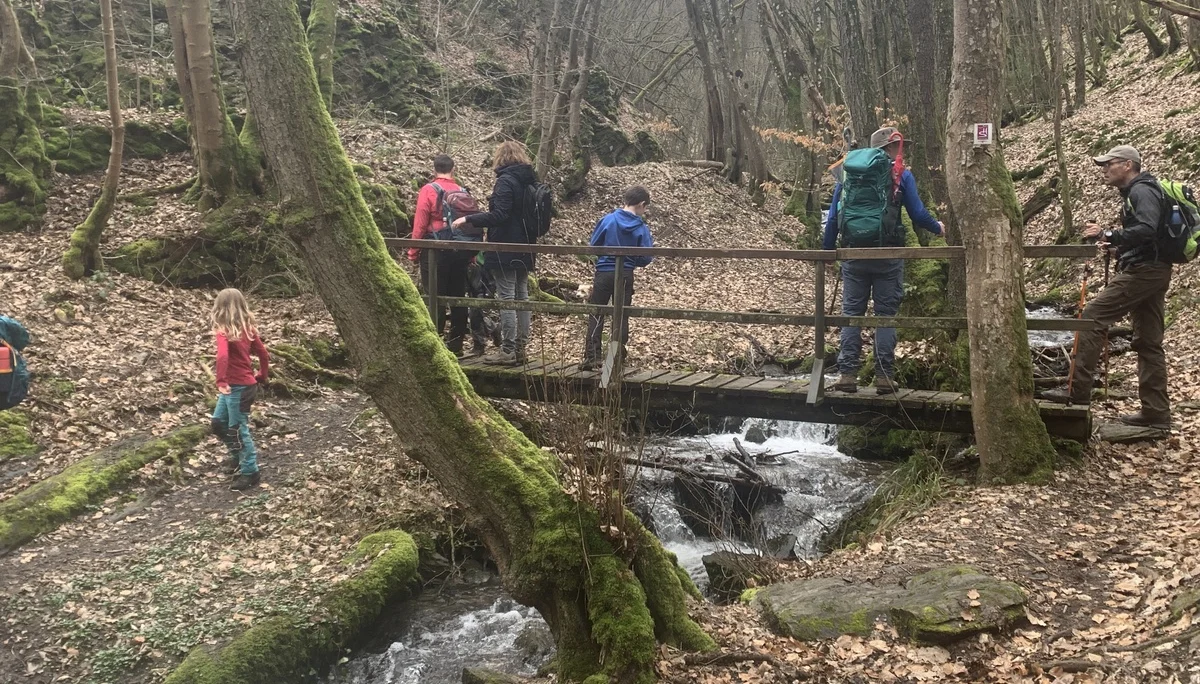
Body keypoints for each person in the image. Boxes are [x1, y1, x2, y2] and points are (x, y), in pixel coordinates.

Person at [1043, 145, 1173, 429]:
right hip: (1154, 269)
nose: (1104, 169)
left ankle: (1076, 395)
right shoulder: (1141, 191)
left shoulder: (1141, 191)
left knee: (1091, 317)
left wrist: (1109, 234)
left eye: (1109, 164)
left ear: (1128, 165)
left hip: (1145, 272)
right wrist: (1118, 246)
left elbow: (1148, 229)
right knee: (1148, 341)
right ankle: (1156, 413)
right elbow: (1146, 236)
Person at [823, 126, 945, 395]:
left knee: (852, 315)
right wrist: (937, 227)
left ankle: (847, 375)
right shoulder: (901, 175)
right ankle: (883, 378)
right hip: (889, 255)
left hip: (853, 255)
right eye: (898, 146)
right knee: (885, 316)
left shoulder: (848, 174)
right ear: (888, 149)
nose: (902, 151)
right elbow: (918, 214)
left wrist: (828, 251)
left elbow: (833, 217)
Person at [453, 141, 538, 365]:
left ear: (500, 158)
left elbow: (500, 214)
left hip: (505, 247)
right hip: (526, 246)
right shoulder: (529, 181)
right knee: (522, 296)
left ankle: (508, 349)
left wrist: (469, 219)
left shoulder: (505, 181)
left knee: (508, 297)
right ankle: (520, 348)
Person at [581, 186, 655, 371]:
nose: (644, 211)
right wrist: (631, 260)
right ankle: (615, 358)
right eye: (645, 207)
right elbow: (646, 257)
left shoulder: (608, 220)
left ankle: (592, 357)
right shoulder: (641, 227)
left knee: (597, 312)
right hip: (625, 274)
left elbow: (594, 245)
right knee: (620, 316)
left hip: (604, 272)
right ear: (641, 204)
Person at [410, 154, 472, 355]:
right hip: (459, 250)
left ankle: (434, 345)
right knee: (458, 296)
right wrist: (470, 254)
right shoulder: (461, 191)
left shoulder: (428, 190)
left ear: (434, 169)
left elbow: (420, 223)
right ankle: (456, 345)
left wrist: (413, 250)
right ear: (453, 169)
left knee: (434, 295)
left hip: (434, 250)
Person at [210, 288, 270, 491]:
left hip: (238, 387)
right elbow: (264, 356)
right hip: (238, 386)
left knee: (237, 429)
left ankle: (250, 471)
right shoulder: (246, 330)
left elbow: (222, 357)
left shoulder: (226, 331)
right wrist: (262, 375)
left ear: (220, 308)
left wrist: (220, 380)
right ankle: (237, 456)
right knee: (219, 423)